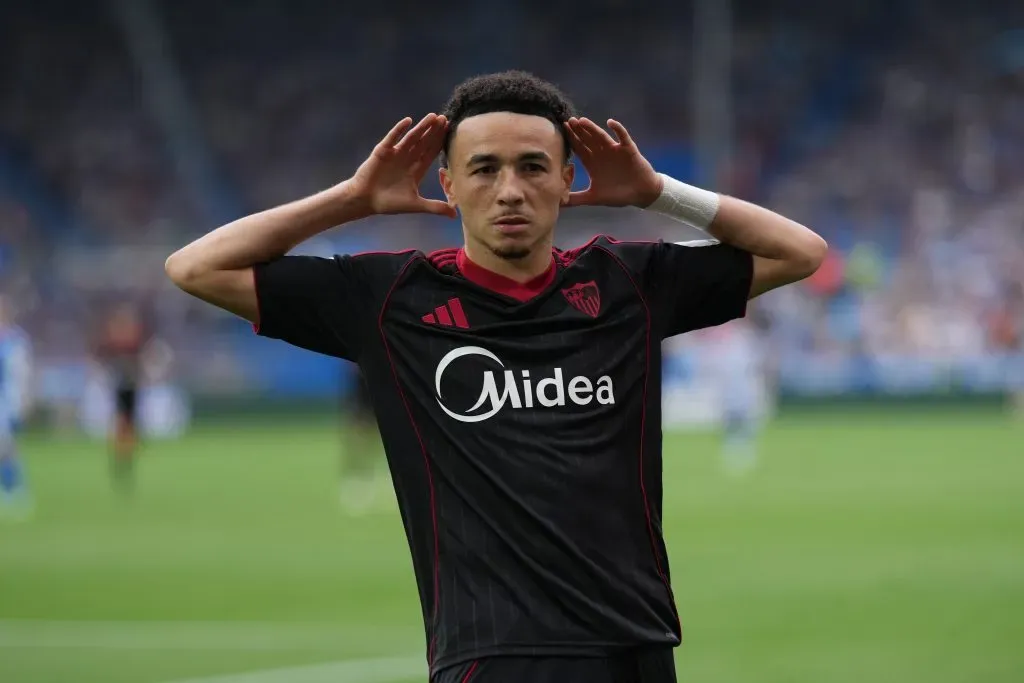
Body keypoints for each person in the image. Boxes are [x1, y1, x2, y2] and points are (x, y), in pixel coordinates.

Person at [165, 71, 827, 683]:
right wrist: (352, 198)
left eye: (533, 166)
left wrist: (658, 192)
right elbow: (195, 268)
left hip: (637, 648)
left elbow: (800, 252)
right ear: (447, 184)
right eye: (483, 168)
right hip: (492, 655)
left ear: (569, 181)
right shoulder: (388, 298)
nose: (509, 189)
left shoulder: (628, 281)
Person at [94, 303, 148, 489]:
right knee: (122, 424)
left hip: (129, 387)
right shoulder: (119, 340)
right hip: (122, 387)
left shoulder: (129, 339)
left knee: (128, 424)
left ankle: (125, 456)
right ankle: (122, 457)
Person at [338, 366, 390, 514]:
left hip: (383, 379)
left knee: (386, 430)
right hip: (362, 380)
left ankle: (388, 476)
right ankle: (358, 478)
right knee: (359, 433)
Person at [0, 296, 32, 518]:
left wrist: (24, 399)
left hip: (8, 400)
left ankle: (15, 489)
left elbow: (23, 374)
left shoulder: (16, 340)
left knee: (5, 446)